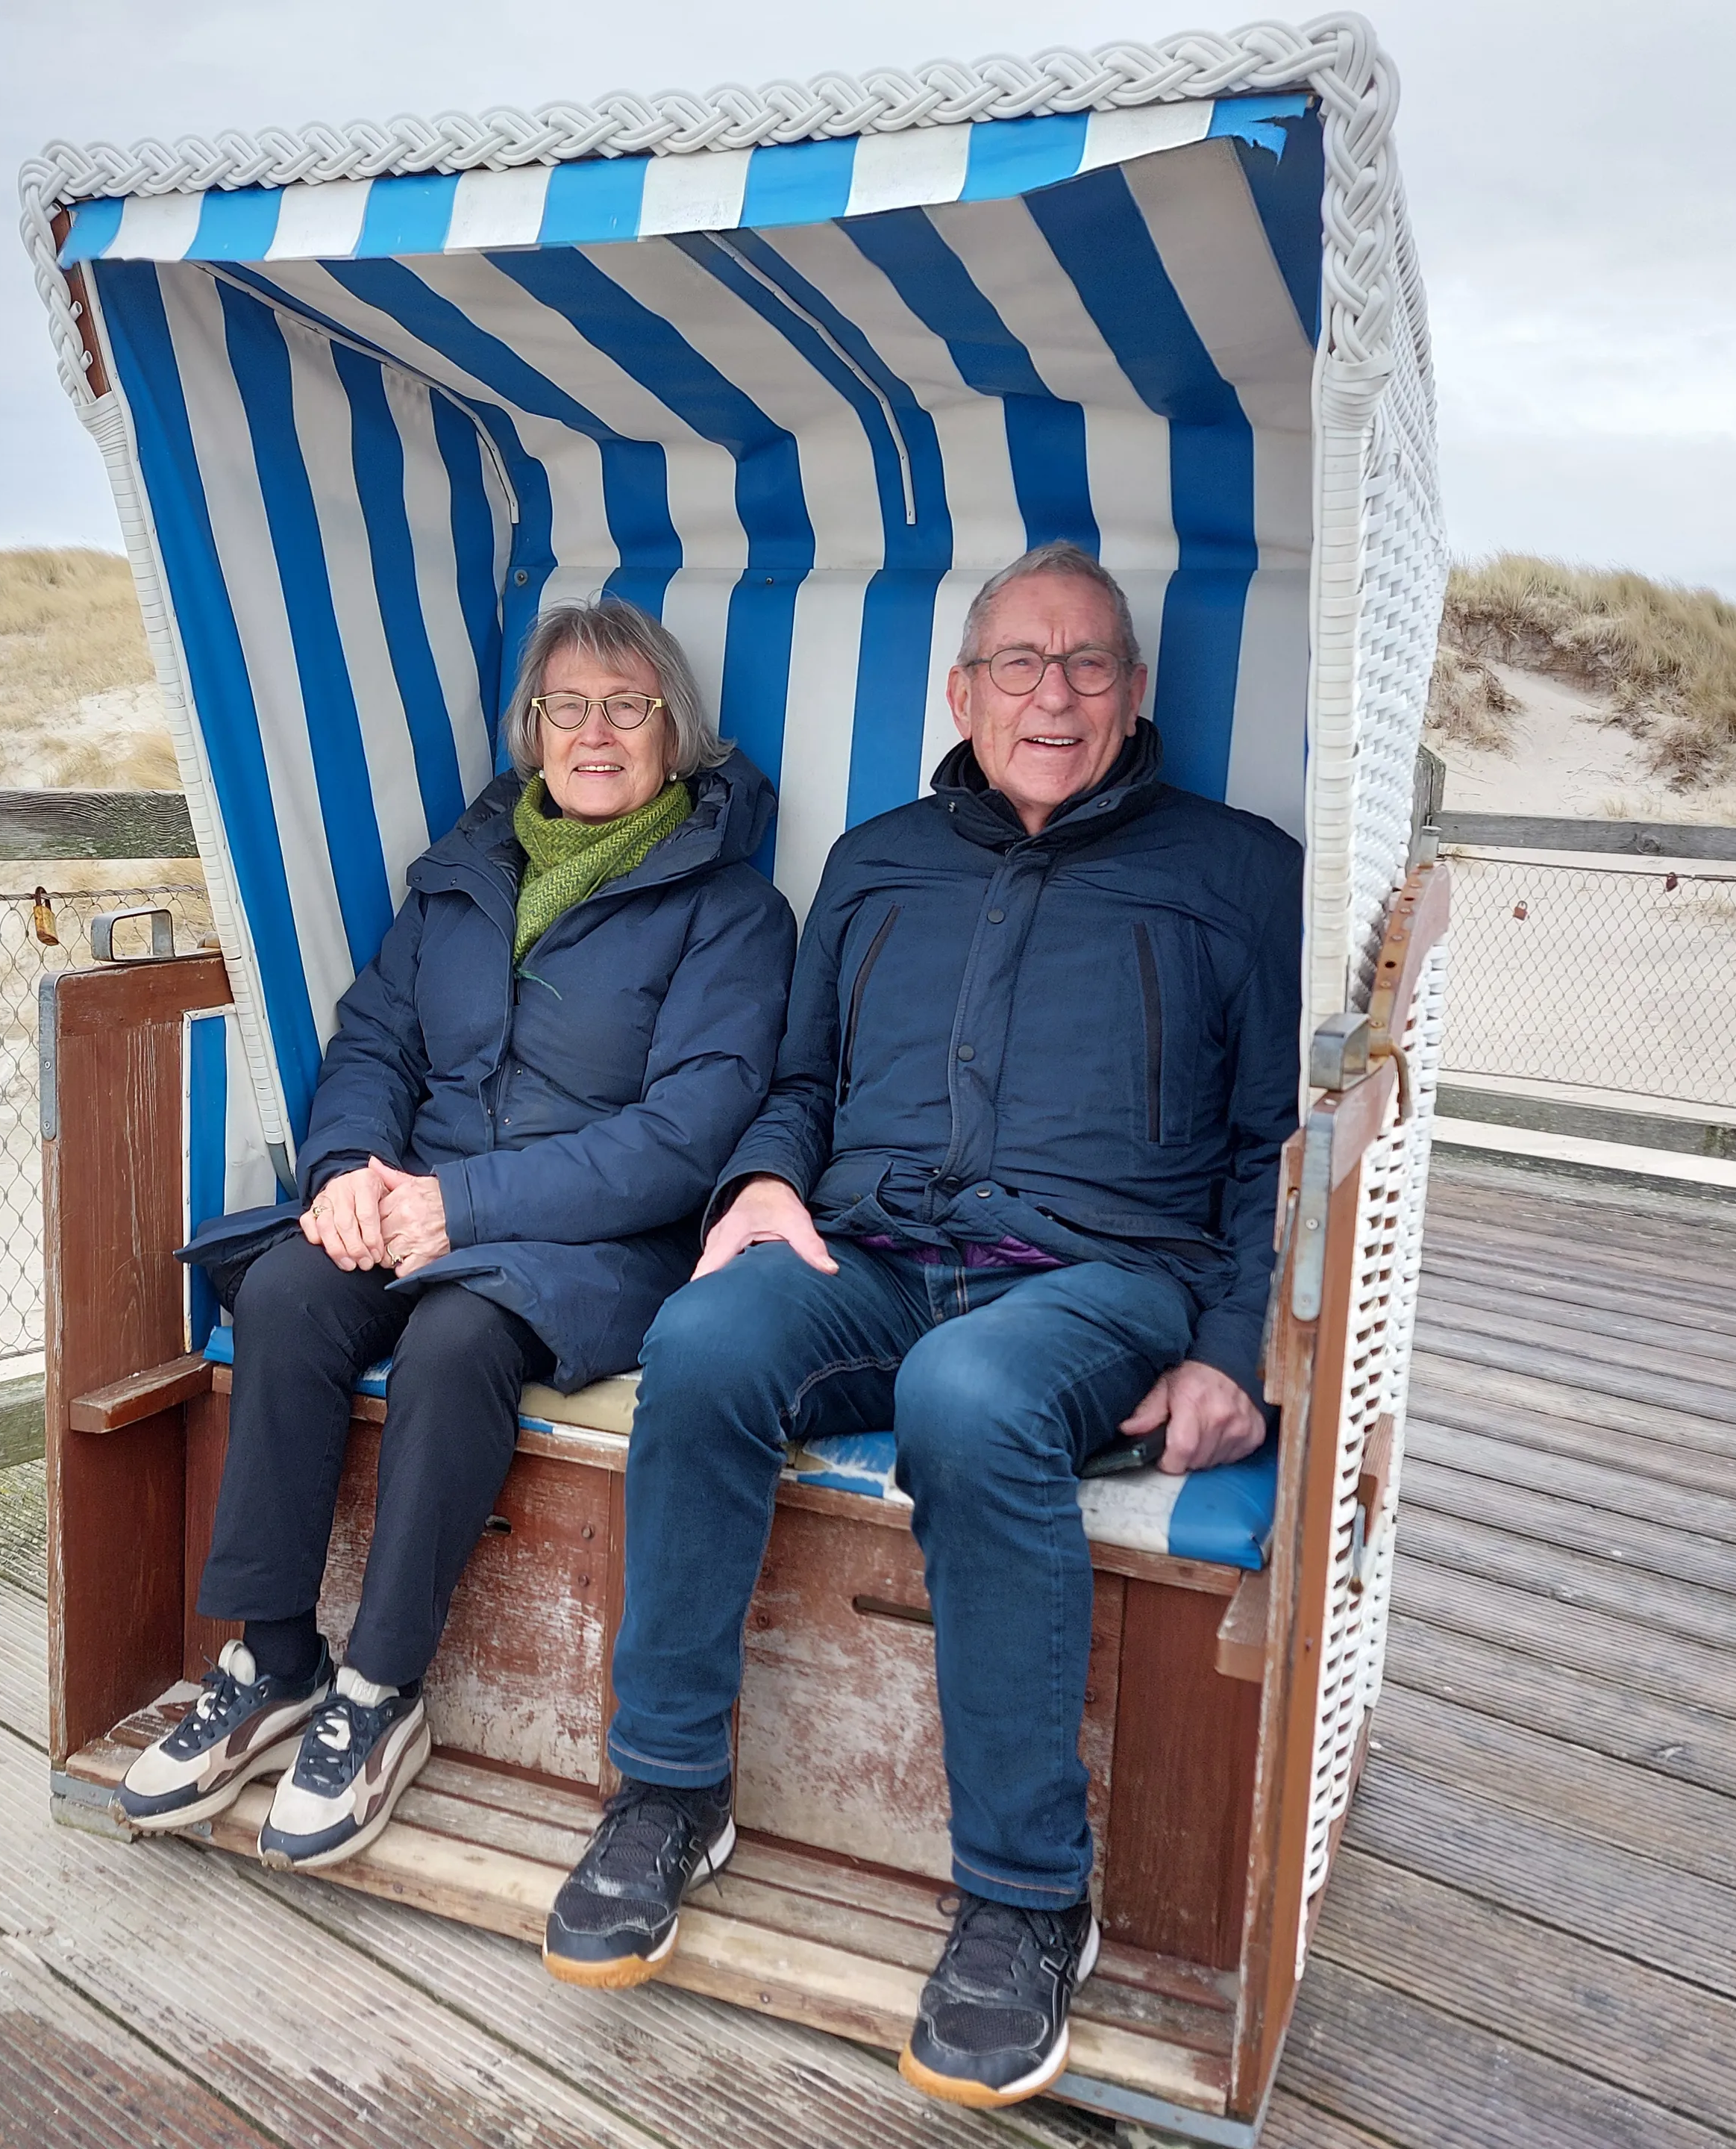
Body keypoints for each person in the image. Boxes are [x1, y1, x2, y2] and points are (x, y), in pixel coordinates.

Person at [539, 542, 1302, 2109]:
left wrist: (1236, 1349)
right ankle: (669, 1793)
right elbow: (801, 1088)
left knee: (968, 1395)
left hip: (1097, 1281)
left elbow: (1270, 1143)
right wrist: (759, 1182)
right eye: (1020, 663)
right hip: (876, 1252)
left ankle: (1028, 1899)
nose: (1055, 694)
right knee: (700, 1343)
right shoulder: (879, 863)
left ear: (1138, 693)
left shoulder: (1241, 872)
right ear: (961, 692)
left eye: (1090, 664)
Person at [119, 597, 795, 1871]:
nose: (595, 734)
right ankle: (271, 1657)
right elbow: (375, 1042)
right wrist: (346, 1175)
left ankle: (376, 1695)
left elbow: (692, 1132)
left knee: (455, 1338)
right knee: (282, 1294)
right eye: (566, 708)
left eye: (627, 707)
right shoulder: (457, 881)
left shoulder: (732, 907)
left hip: (597, 1242)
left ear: (677, 733)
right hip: (421, 1199)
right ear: (531, 733)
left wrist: (465, 1207)